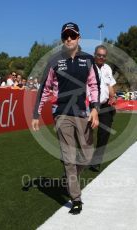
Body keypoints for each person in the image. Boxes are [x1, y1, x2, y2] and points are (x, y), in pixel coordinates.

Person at [31, 22, 100, 215]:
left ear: (79, 37)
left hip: (83, 113)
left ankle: (70, 179)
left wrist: (95, 109)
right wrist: (36, 113)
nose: (68, 39)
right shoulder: (55, 61)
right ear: (62, 39)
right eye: (65, 36)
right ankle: (76, 198)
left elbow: (94, 86)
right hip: (61, 114)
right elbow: (45, 88)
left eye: (72, 35)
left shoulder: (88, 60)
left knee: (87, 155)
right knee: (69, 158)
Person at [89, 45, 116, 172]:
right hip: (90, 105)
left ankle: (96, 161)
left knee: (104, 133)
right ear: (94, 54)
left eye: (103, 56)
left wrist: (113, 96)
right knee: (86, 133)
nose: (101, 57)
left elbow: (110, 85)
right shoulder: (88, 67)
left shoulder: (107, 68)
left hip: (105, 105)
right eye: (99, 55)